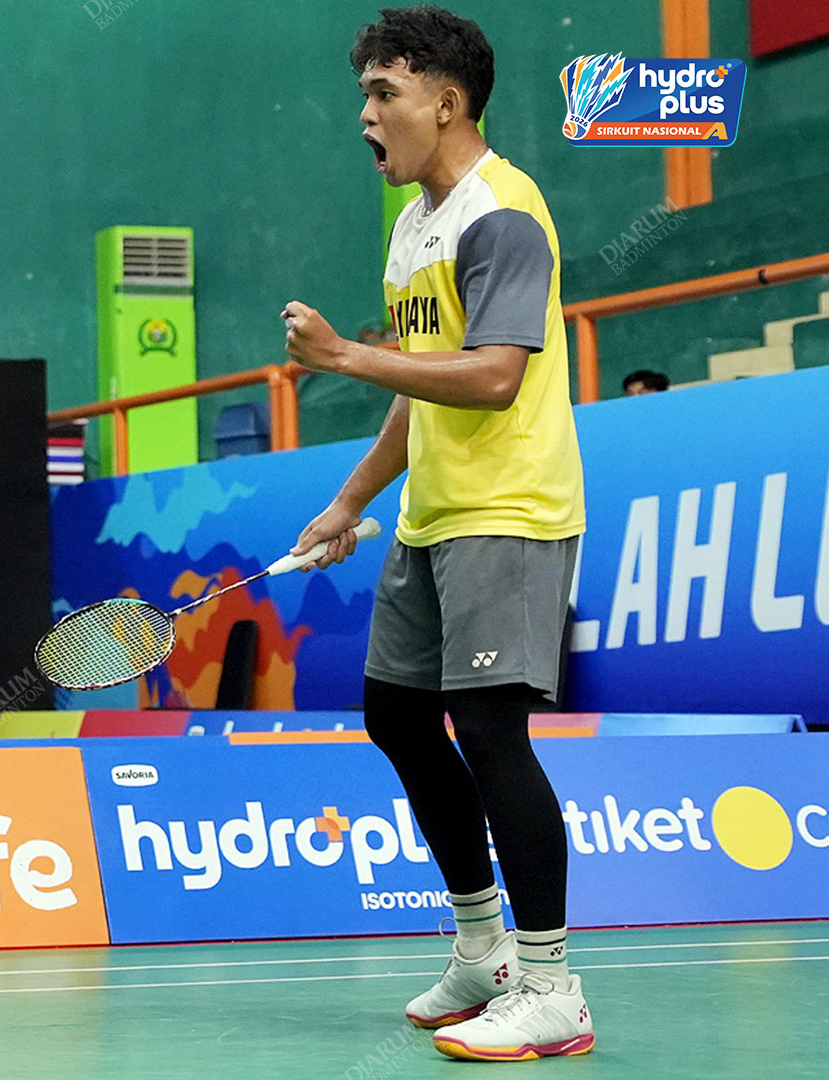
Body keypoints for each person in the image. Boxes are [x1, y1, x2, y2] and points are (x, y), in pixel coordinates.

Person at [282, 5, 592, 1063]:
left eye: (385, 93)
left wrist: (342, 357)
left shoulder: (502, 213)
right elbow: (422, 390)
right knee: (399, 719)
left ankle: (551, 986)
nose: (365, 115)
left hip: (509, 510)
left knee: (492, 735)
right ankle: (483, 952)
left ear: (448, 102)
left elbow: (495, 376)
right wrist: (350, 500)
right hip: (431, 516)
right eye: (365, 94)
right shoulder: (413, 226)